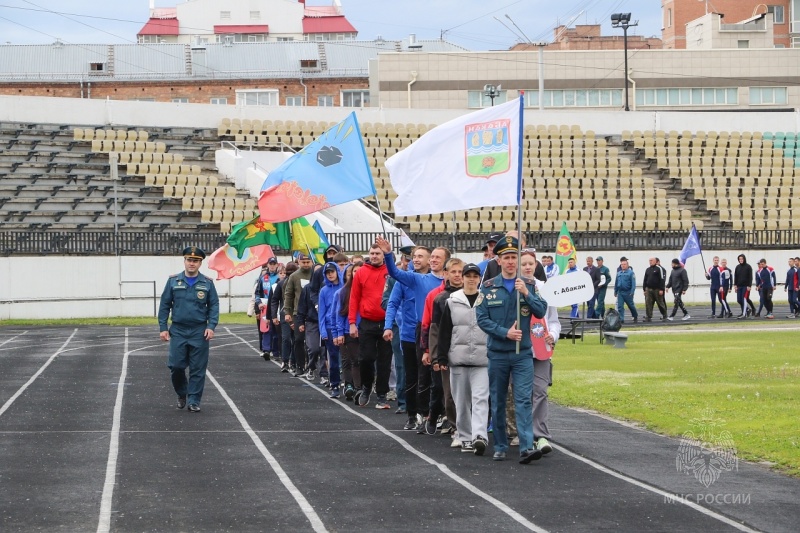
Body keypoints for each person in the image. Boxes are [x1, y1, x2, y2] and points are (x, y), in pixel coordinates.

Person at [475, 236, 548, 464]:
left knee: (523, 399)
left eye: (513, 257)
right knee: (497, 399)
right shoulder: (487, 288)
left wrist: (526, 293)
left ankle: (526, 447)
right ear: (498, 260)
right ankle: (500, 445)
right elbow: (482, 319)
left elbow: (541, 311)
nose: (510, 262)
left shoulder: (530, 285)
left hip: (522, 354)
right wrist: (504, 332)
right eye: (506, 258)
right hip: (498, 353)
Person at [377, 237, 449, 429]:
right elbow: (393, 274)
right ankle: (414, 413)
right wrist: (388, 254)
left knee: (436, 378)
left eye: (433, 257)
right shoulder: (417, 279)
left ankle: (438, 413)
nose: (417, 259)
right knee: (415, 376)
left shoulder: (449, 282)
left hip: (444, 335)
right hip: (415, 334)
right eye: (415, 256)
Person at [158, 246, 219, 413]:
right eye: (189, 260)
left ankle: (194, 401)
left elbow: (213, 305)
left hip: (199, 331)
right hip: (178, 330)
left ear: (200, 263)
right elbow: (164, 305)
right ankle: (182, 392)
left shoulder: (207, 283)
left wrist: (211, 326)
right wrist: (163, 327)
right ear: (184, 261)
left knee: (198, 368)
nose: (192, 263)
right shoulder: (173, 281)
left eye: (196, 261)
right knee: (176, 366)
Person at [437, 263, 490, 456]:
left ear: (479, 279)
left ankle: (479, 436)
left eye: (475, 275)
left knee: (480, 399)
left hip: (482, 360)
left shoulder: (486, 300)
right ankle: (465, 437)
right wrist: (441, 356)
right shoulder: (452, 301)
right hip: (458, 359)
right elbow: (444, 331)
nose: (471, 278)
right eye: (468, 275)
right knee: (461, 401)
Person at [423, 258, 464, 444]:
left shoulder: (477, 296)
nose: (457, 275)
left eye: (460, 272)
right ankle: (456, 427)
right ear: (446, 274)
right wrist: (435, 357)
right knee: (450, 394)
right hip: (448, 354)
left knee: (472, 393)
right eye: (453, 272)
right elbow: (434, 330)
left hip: (471, 352)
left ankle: (471, 428)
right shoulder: (440, 299)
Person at [349, 243, 393, 408]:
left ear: (383, 255)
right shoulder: (361, 272)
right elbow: (354, 298)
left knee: (384, 361)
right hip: (367, 322)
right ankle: (367, 387)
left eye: (378, 253)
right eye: (372, 253)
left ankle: (382, 393)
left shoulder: (390, 272)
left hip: (386, 322)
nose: (374, 256)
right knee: (365, 358)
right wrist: (352, 323)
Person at [525, 252, 560, 457]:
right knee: (521, 394)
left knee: (540, 391)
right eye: (524, 264)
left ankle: (540, 434)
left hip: (541, 349)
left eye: (531, 263)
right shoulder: (511, 287)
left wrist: (552, 336)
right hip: (518, 348)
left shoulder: (547, 289)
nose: (528, 267)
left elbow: (553, 320)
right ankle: (520, 432)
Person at [333, 264, 361, 400]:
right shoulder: (342, 292)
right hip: (347, 330)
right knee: (350, 359)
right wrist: (338, 333)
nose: (355, 274)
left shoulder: (367, 291)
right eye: (352, 272)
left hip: (365, 330)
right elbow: (338, 314)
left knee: (363, 359)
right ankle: (353, 386)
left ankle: (361, 386)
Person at [283, 253, 314, 377]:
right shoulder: (294, 277)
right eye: (303, 262)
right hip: (297, 313)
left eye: (308, 262)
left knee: (313, 343)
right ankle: (300, 366)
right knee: (299, 340)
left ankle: (312, 365)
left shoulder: (315, 275)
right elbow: (289, 294)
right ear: (299, 262)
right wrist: (287, 312)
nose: (306, 265)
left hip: (313, 313)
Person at [297, 264, 326, 382]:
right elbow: (302, 306)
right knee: (313, 348)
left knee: (324, 350)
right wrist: (300, 322)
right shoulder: (308, 288)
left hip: (325, 322)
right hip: (312, 322)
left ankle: (324, 373)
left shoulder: (327, 287)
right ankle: (311, 366)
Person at [318, 262, 344, 398]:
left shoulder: (344, 287)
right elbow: (321, 313)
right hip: (329, 327)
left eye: (332, 271)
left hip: (344, 326)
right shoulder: (323, 291)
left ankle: (350, 383)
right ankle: (334, 384)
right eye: (327, 272)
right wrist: (322, 331)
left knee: (347, 358)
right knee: (333, 358)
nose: (330, 274)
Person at [271, 262, 297, 372]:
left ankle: (295, 362)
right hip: (284, 314)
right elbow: (274, 300)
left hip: (297, 315)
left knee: (297, 340)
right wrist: (273, 316)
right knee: (286, 338)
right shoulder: (281, 284)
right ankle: (285, 361)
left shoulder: (299, 283)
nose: (290, 275)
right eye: (289, 273)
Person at [642, 257, 667, 322]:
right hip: (648, 289)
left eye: (652, 260)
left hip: (657, 289)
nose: (650, 262)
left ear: (655, 261)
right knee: (648, 303)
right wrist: (644, 289)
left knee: (660, 303)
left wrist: (661, 289)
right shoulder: (647, 269)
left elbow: (662, 279)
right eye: (649, 260)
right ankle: (648, 316)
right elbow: (645, 279)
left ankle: (664, 315)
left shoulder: (659, 269)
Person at [614, 257, 638, 323]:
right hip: (620, 292)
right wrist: (615, 291)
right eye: (622, 264)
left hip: (628, 292)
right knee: (620, 306)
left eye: (624, 264)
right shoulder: (619, 273)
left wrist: (632, 291)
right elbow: (616, 283)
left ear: (627, 265)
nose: (623, 266)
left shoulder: (631, 273)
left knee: (631, 306)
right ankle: (621, 319)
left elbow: (633, 283)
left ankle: (635, 315)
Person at [733, 254, 757, 319]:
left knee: (744, 299)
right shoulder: (737, 267)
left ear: (744, 259)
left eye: (742, 259)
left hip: (746, 286)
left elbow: (750, 277)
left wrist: (749, 285)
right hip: (739, 286)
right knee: (739, 300)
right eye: (739, 259)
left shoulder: (748, 267)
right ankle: (747, 309)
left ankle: (744, 314)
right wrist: (735, 285)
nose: (741, 260)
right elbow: (736, 276)